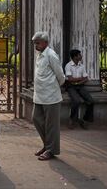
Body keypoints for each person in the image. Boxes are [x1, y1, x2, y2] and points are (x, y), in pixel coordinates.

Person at [32, 32, 65, 161]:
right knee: (36, 119)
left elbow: (60, 76)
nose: (36, 45)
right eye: (35, 43)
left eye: (38, 43)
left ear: (45, 43)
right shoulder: (40, 55)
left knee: (51, 125)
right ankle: (47, 145)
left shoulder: (51, 55)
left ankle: (51, 149)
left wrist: (54, 87)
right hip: (39, 95)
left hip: (51, 96)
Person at [65, 49, 94, 129]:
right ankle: (72, 119)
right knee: (76, 101)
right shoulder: (68, 66)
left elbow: (86, 78)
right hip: (71, 86)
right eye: (79, 55)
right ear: (75, 57)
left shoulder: (82, 66)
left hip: (80, 85)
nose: (81, 56)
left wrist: (79, 81)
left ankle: (85, 120)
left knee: (90, 100)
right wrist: (80, 78)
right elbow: (70, 79)